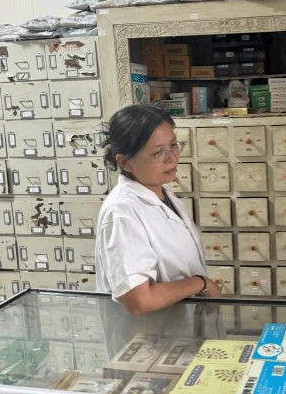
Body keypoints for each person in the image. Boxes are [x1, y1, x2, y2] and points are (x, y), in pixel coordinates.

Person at [95, 103, 221, 315]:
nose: (171, 158)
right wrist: (201, 283)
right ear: (125, 162)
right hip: (150, 333)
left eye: (173, 145)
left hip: (179, 327)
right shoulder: (122, 212)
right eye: (158, 152)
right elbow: (139, 300)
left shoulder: (162, 193)